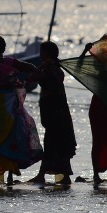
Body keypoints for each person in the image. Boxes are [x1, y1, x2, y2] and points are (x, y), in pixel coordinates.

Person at [0, 36, 42, 185]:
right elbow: (30, 67)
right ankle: (11, 176)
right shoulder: (10, 62)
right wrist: (39, 72)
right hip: (8, 105)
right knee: (11, 137)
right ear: (4, 48)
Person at [27, 41, 77, 186]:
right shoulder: (55, 68)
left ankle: (42, 175)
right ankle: (64, 176)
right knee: (59, 143)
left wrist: (40, 66)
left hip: (55, 112)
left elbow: (35, 77)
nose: (40, 55)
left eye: (42, 52)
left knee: (51, 143)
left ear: (47, 54)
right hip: (57, 111)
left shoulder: (50, 69)